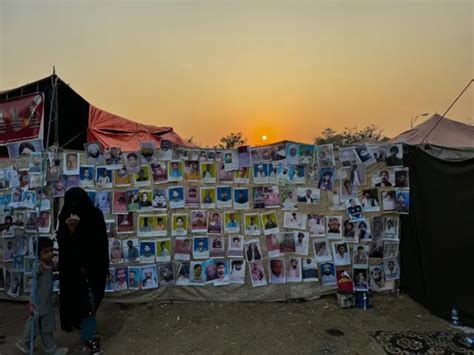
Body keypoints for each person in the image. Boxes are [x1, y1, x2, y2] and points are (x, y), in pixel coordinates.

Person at [56, 187, 109, 353]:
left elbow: (101, 244)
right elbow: (64, 245)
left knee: (90, 304)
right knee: (83, 306)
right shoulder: (64, 216)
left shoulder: (95, 216)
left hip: (93, 269)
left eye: (78, 202)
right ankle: (90, 339)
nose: (75, 207)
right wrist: (71, 230)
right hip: (73, 272)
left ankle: (90, 338)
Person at [16, 237, 69, 355]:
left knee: (35, 324)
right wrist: (39, 271)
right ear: (38, 253)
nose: (50, 254)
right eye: (46, 252)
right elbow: (35, 274)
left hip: (45, 301)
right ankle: (51, 349)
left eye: (51, 250)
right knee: (44, 326)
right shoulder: (39, 265)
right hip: (39, 302)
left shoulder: (49, 263)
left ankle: (24, 342)